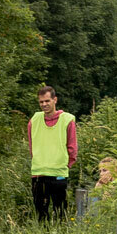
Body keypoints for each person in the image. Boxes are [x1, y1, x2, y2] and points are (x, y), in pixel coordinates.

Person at [26, 85, 77, 222]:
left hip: (58, 173)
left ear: (55, 100)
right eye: (41, 102)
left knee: (60, 213)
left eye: (47, 101)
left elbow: (72, 148)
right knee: (40, 213)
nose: (44, 104)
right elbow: (32, 146)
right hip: (38, 173)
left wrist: (67, 165)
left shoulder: (67, 120)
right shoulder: (34, 120)